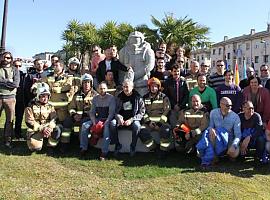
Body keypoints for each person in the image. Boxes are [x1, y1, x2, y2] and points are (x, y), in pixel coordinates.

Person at [197, 97, 241, 166]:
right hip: (217, 138)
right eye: (227, 105)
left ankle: (227, 154)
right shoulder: (213, 112)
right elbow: (210, 126)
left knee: (234, 154)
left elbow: (238, 134)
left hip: (229, 138)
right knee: (211, 134)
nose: (230, 107)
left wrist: (234, 145)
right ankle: (214, 156)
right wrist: (211, 129)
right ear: (221, 105)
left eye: (231, 105)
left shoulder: (235, 117)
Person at [61, 74, 98, 152]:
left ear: (91, 83)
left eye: (88, 82)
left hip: (89, 118)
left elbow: (97, 110)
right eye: (84, 82)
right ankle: (64, 144)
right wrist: (74, 115)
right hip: (77, 116)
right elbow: (71, 107)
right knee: (67, 122)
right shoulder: (77, 94)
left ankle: (83, 147)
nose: (86, 85)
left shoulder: (95, 95)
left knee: (84, 125)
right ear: (81, 84)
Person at [80, 82, 115, 160]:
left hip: (108, 118)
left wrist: (107, 121)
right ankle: (84, 147)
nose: (102, 90)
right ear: (98, 89)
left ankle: (104, 152)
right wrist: (94, 122)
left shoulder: (111, 98)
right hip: (98, 118)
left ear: (107, 89)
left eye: (104, 88)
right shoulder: (95, 98)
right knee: (85, 125)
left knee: (106, 130)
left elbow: (112, 113)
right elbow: (92, 112)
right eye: (100, 89)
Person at [110, 79, 145, 157]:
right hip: (121, 121)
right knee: (112, 124)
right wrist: (118, 117)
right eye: (124, 87)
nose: (125, 89)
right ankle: (117, 145)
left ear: (132, 87)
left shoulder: (138, 97)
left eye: (127, 87)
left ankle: (132, 147)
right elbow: (114, 110)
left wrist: (132, 119)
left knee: (137, 126)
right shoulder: (119, 97)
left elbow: (141, 112)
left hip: (133, 120)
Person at [24, 83, 61, 152]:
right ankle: (35, 140)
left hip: (47, 127)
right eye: (43, 96)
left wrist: (50, 127)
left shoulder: (50, 106)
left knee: (57, 129)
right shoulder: (30, 106)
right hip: (36, 129)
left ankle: (50, 146)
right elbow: (29, 121)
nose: (45, 98)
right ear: (38, 96)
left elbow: (54, 118)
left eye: (47, 96)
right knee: (35, 148)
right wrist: (42, 129)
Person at [140, 77, 171, 157]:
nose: (153, 88)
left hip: (161, 123)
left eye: (155, 86)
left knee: (166, 130)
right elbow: (143, 112)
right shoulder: (144, 98)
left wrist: (160, 124)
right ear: (149, 87)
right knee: (142, 131)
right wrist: (148, 122)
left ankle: (163, 151)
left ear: (158, 87)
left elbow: (166, 112)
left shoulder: (164, 97)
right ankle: (155, 148)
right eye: (152, 86)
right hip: (149, 123)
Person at [119, 31, 155, 96]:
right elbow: (121, 67)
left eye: (137, 38)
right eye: (132, 38)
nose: (134, 40)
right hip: (127, 85)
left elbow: (149, 66)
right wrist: (126, 80)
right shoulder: (123, 51)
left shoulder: (147, 50)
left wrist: (135, 76)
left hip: (142, 83)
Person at [0, 52, 20, 148]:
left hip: (10, 98)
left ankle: (7, 140)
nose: (5, 59)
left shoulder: (15, 70)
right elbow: (11, 83)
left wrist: (3, 81)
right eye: (4, 57)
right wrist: (9, 81)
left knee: (10, 120)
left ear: (11, 59)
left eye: (8, 58)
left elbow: (15, 84)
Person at [14, 60, 26, 139]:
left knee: (20, 118)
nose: (18, 67)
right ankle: (12, 134)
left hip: (22, 99)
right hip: (12, 99)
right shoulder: (10, 75)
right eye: (16, 66)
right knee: (13, 118)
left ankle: (18, 134)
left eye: (19, 66)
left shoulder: (24, 75)